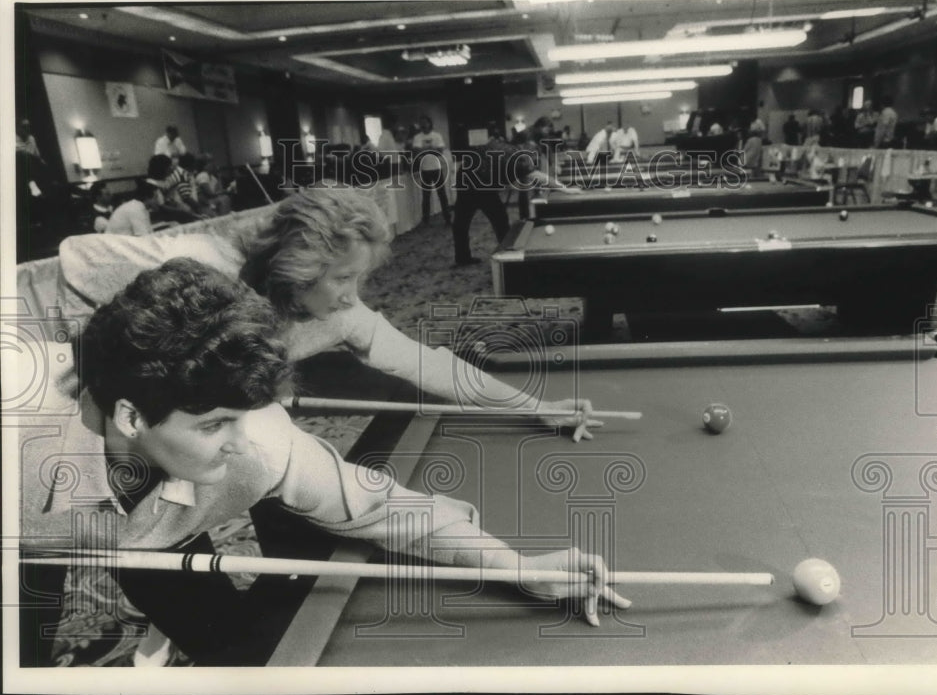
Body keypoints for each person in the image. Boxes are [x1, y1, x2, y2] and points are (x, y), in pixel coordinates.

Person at [20, 258, 629, 667]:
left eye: (243, 414)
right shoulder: (19, 447)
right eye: (214, 424)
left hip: (153, 526)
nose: (240, 438)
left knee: (231, 650)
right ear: (131, 416)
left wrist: (519, 566)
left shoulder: (258, 444)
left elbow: (383, 508)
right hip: (31, 524)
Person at [58, 188, 602, 441]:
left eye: (359, 278)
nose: (352, 294)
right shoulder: (201, 264)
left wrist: (534, 406)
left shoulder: (339, 314)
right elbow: (76, 258)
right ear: (299, 267)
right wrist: (100, 365)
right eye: (343, 277)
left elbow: (428, 364)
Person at [451, 124, 579, 268]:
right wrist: (565, 189)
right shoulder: (517, 155)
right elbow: (536, 176)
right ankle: (508, 255)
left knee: (462, 223)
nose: (533, 151)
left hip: (466, 177)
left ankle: (464, 256)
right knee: (499, 219)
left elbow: (510, 174)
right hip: (477, 182)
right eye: (531, 147)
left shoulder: (504, 145)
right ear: (523, 143)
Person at [409, 115, 452, 225]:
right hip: (424, 169)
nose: (423, 125)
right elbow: (416, 152)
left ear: (429, 123)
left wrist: (424, 150)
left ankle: (447, 218)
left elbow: (440, 151)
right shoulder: (417, 137)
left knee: (442, 195)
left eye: (425, 122)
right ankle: (426, 220)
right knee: (426, 196)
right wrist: (431, 149)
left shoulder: (437, 135)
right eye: (421, 122)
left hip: (436, 168)